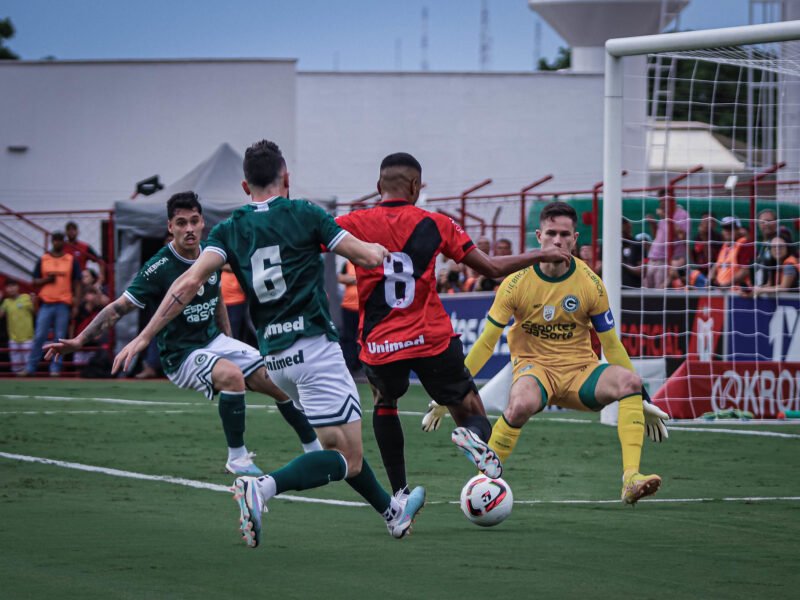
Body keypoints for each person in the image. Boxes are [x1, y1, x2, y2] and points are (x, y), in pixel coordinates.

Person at [112, 140, 425, 547]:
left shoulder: (229, 228)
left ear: (245, 186)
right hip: (315, 349)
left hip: (275, 358)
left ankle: (391, 512)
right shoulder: (306, 213)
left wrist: (143, 336)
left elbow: (186, 284)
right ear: (286, 178)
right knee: (345, 457)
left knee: (344, 449)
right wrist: (380, 250)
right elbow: (364, 257)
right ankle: (262, 488)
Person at [334, 152, 572, 498]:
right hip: (430, 338)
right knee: (470, 409)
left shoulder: (352, 223)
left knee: (384, 402)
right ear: (415, 186)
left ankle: (399, 493)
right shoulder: (437, 223)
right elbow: (490, 267)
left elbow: (311, 243)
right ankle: (472, 438)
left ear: (377, 186)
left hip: (380, 342)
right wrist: (541, 254)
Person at [45, 192, 323, 476]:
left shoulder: (212, 253)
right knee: (231, 376)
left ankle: (315, 450)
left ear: (203, 222)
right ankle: (237, 458)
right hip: (181, 355)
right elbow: (119, 308)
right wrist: (80, 340)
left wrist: (228, 340)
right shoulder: (159, 267)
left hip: (214, 342)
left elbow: (218, 300)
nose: (189, 228)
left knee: (277, 378)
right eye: (181, 223)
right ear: (170, 227)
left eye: (194, 221)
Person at [425, 201, 668, 505]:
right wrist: (451, 393)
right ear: (538, 236)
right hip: (534, 370)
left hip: (581, 373)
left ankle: (631, 479)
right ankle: (481, 485)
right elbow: (486, 343)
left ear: (575, 239)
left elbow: (612, 345)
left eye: (564, 234)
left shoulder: (591, 283)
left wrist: (642, 398)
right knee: (519, 405)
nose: (557, 240)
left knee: (629, 382)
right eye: (551, 233)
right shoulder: (515, 283)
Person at [25, 231, 81, 376]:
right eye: (55, 240)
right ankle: (31, 368)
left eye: (59, 240)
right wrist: (47, 280)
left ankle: (55, 369)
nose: (57, 242)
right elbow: (34, 281)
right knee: (39, 336)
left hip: (63, 303)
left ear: (63, 242)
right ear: (52, 241)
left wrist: (76, 304)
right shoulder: (44, 259)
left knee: (60, 338)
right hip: (46, 303)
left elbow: (77, 283)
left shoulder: (70, 259)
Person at [644, 192, 689, 288]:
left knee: (659, 294)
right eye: (660, 201)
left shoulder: (682, 214)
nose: (661, 204)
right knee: (647, 293)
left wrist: (666, 217)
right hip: (653, 258)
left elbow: (682, 236)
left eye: (664, 200)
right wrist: (652, 224)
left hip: (665, 260)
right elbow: (658, 235)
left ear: (672, 199)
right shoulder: (665, 214)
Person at [709, 216, 753, 291]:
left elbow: (745, 271)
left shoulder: (744, 244)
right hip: (722, 292)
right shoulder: (724, 246)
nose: (727, 231)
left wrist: (727, 284)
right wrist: (710, 279)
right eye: (725, 228)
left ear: (739, 230)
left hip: (739, 293)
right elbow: (717, 264)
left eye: (731, 228)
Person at [0, 279, 34, 373]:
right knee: (16, 368)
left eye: (13, 286)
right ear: (5, 289)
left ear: (18, 287)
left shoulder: (26, 297)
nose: (11, 289)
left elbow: (35, 312)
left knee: (28, 368)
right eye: (8, 287)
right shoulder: (6, 302)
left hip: (28, 338)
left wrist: (34, 301)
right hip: (13, 339)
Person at [754, 208, 794, 287]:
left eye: (769, 221)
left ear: (776, 222)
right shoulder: (761, 243)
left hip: (779, 292)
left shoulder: (781, 238)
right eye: (762, 222)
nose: (766, 224)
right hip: (765, 288)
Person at [337, 259, 362, 375]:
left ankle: (360, 364)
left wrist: (353, 279)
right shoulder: (347, 264)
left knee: (361, 336)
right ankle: (349, 365)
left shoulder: (364, 262)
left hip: (362, 307)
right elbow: (340, 278)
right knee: (347, 336)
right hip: (348, 306)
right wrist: (355, 279)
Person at [621, 218, 643, 288]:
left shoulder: (636, 244)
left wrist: (623, 263)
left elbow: (641, 272)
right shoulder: (607, 246)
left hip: (632, 290)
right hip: (610, 288)